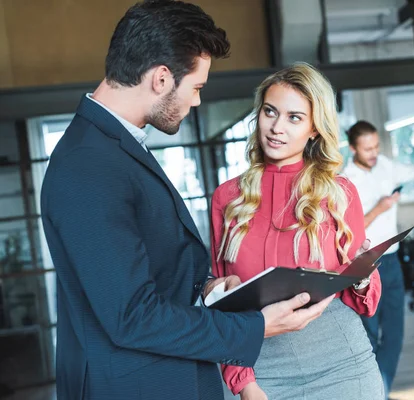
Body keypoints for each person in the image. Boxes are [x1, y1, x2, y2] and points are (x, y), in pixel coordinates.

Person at [40, 2, 332, 399]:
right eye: (196, 88)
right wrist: (257, 326)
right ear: (161, 78)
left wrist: (208, 289)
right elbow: (131, 316)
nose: (196, 102)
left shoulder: (114, 147)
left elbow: (143, 272)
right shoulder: (87, 164)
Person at [211, 62, 385, 400]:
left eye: (294, 117)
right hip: (262, 371)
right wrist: (244, 384)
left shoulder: (340, 192)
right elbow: (223, 305)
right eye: (270, 112)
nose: (277, 128)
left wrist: (363, 274)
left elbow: (365, 305)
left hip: (342, 364)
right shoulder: (228, 198)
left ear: (314, 129)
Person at [342, 120, 414, 398]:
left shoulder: (385, 165)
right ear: (352, 148)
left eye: (376, 146)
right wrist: (380, 208)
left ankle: (379, 390)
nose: (373, 153)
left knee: (395, 335)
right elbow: (347, 231)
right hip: (364, 264)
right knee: (370, 336)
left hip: (393, 260)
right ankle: (377, 392)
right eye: (367, 148)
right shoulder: (346, 180)